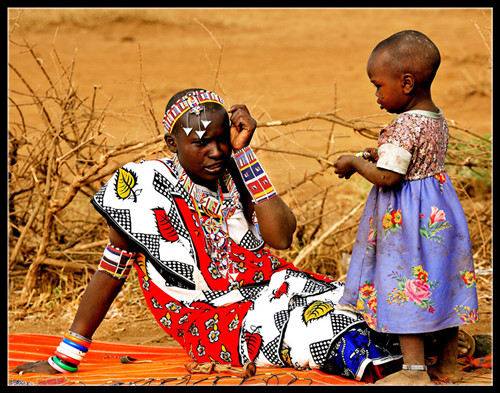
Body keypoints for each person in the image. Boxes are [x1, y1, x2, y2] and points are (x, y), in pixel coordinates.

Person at [11, 88, 402, 382]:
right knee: (317, 327)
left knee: (359, 297)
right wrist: (64, 358)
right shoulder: (142, 187)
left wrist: (245, 155)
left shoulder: (234, 170)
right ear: (172, 143)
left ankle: (403, 349)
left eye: (221, 140)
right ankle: (384, 360)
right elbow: (111, 271)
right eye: (201, 143)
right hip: (212, 318)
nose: (216, 151)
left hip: (270, 286)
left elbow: (281, 238)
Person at [333, 30, 479, 385]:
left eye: (378, 86)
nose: (377, 95)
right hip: (440, 216)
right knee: (440, 284)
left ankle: (413, 373)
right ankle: (448, 365)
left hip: (409, 223)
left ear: (408, 83)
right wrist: (377, 153)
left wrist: (354, 162)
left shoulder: (403, 125)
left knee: (406, 285)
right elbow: (406, 161)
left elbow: (388, 178)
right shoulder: (434, 117)